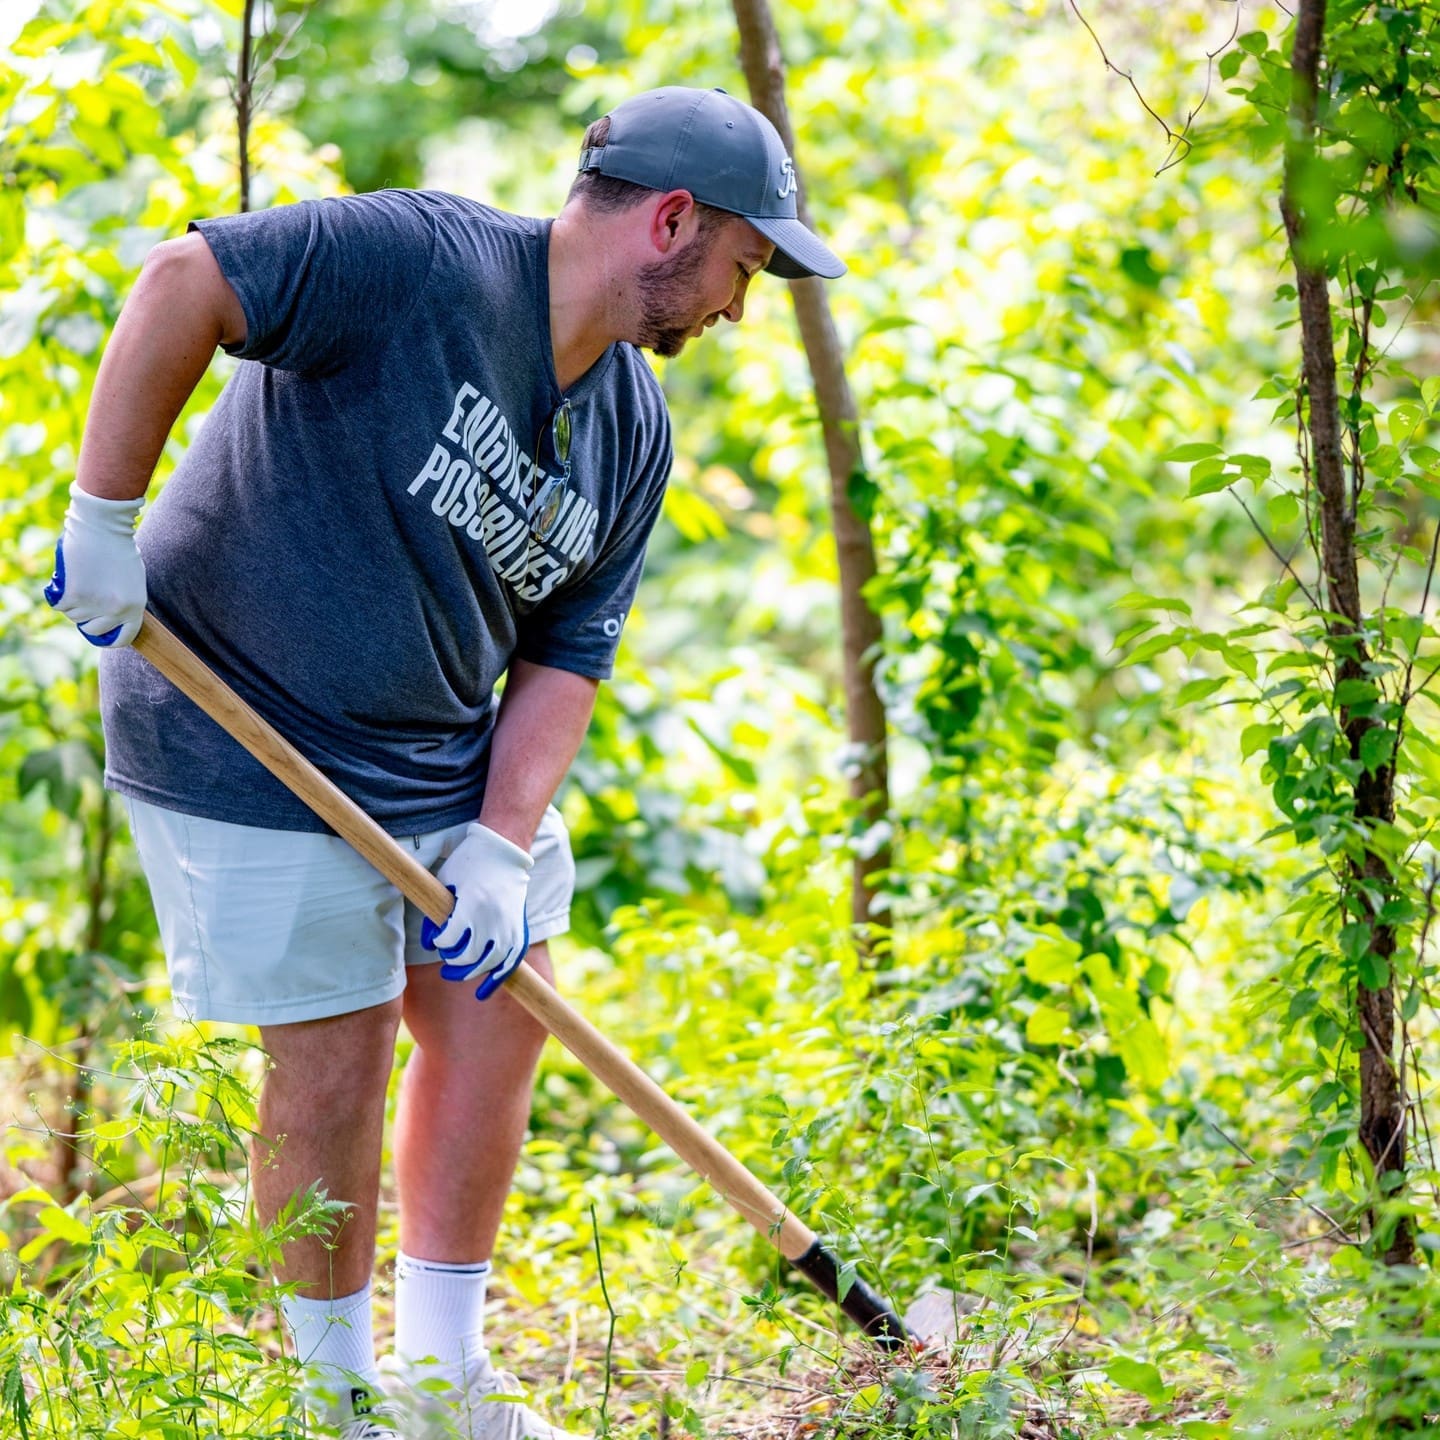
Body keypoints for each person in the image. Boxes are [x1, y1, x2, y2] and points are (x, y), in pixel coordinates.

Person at [43, 84, 844, 1440]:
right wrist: (103, 519)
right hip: (245, 729)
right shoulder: (421, 261)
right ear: (672, 221)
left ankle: (442, 1381)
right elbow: (188, 276)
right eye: (742, 267)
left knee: (504, 1001)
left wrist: (496, 840)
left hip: (435, 750)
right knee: (337, 1053)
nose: (736, 306)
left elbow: (569, 653)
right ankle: (334, 1397)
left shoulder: (631, 428)